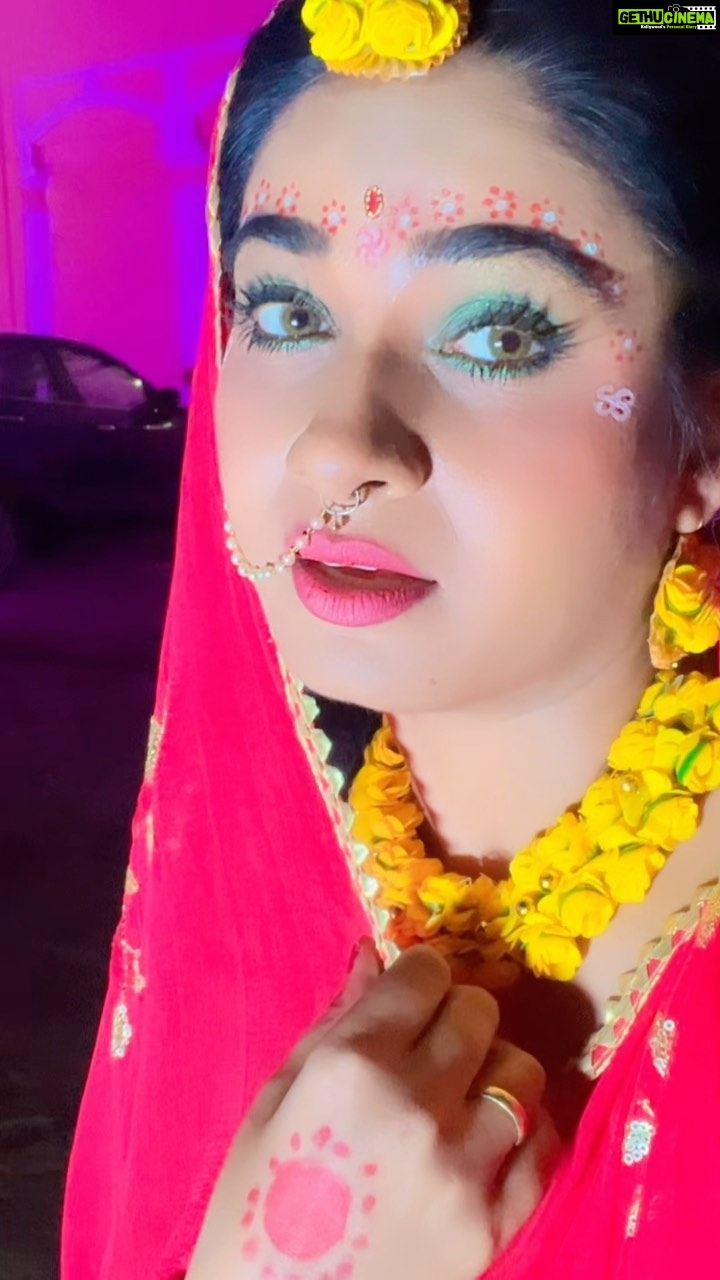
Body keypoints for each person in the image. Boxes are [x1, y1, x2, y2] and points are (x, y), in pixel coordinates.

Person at [61, 1, 720, 1276]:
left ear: (706, 429)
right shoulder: (240, 881)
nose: (340, 445)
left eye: (501, 332)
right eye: (284, 312)